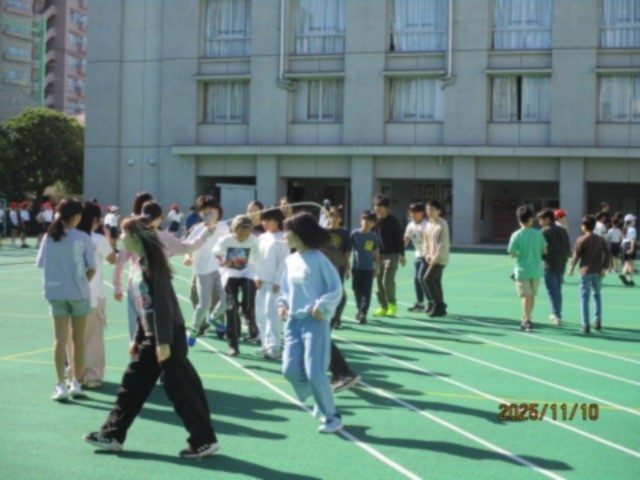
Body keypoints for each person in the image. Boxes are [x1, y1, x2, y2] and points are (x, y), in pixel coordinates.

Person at [83, 216, 220, 458]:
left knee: (181, 388)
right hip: (152, 335)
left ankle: (204, 440)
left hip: (166, 335)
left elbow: (163, 305)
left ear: (135, 237)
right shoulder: (138, 264)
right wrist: (138, 337)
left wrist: (163, 342)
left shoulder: (153, 266)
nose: (120, 237)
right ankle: (113, 435)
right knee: (133, 385)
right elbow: (143, 306)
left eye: (124, 233)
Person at [278, 212, 344, 434]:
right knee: (289, 370)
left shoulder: (318, 259)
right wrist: (282, 304)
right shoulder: (290, 260)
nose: (284, 236)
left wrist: (322, 306)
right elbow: (286, 289)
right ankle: (321, 392)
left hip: (315, 322)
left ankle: (332, 416)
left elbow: (336, 288)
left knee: (315, 372)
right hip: (293, 322)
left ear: (299, 234)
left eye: (287, 231)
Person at [36, 198, 96, 400]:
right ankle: (76, 383)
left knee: (59, 340)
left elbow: (41, 264)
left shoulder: (49, 237)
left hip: (56, 293)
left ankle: (60, 384)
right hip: (79, 294)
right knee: (78, 340)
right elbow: (92, 268)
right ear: (77, 216)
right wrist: (82, 283)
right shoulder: (83, 237)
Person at [320, 207, 360, 392]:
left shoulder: (328, 257)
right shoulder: (312, 255)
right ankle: (339, 373)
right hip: (325, 301)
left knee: (322, 338)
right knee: (320, 339)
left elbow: (341, 261)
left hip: (333, 301)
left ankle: (344, 373)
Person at [76, 202, 116, 388]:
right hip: (94, 294)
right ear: (95, 220)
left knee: (73, 337)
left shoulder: (69, 237)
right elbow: (112, 258)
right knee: (93, 339)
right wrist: (108, 238)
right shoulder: (98, 239)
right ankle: (92, 376)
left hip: (72, 294)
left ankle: (74, 374)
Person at [184, 195, 229, 346]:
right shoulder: (198, 229)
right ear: (200, 213)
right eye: (204, 211)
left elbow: (229, 244)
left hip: (219, 269)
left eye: (211, 210)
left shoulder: (224, 227)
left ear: (218, 211)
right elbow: (187, 246)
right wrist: (188, 257)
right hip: (202, 271)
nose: (208, 214)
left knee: (225, 299)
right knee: (203, 304)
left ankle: (214, 318)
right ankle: (195, 330)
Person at [213, 215, 260, 356]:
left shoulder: (254, 240)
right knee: (231, 309)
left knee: (248, 302)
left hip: (248, 274)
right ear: (235, 230)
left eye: (247, 234)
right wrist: (222, 261)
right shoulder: (226, 240)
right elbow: (216, 253)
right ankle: (233, 345)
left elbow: (260, 258)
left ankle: (246, 312)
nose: (243, 237)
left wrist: (260, 275)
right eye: (241, 234)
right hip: (229, 275)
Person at [254, 207, 289, 359]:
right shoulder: (262, 237)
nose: (265, 223)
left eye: (269, 220)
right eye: (264, 220)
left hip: (274, 283)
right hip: (261, 281)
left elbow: (284, 261)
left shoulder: (283, 238)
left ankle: (274, 347)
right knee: (260, 314)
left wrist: (278, 280)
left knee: (271, 314)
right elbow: (256, 258)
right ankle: (265, 344)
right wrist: (256, 276)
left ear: (277, 221)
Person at [507, 205, 548, 332]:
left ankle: (527, 320)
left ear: (519, 219)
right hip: (536, 270)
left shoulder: (516, 235)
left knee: (526, 296)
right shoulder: (538, 234)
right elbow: (545, 250)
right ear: (531, 219)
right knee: (532, 296)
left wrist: (521, 254)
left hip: (522, 270)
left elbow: (512, 253)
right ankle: (528, 317)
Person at [569, 215, 611, 333]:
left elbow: (576, 256)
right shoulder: (600, 240)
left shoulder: (581, 240)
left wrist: (571, 268)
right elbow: (607, 253)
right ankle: (597, 321)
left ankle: (585, 324)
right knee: (597, 295)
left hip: (585, 272)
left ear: (584, 227)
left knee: (584, 299)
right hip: (598, 271)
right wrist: (604, 267)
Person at [372, 194, 406, 317]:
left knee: (387, 281)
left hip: (392, 254)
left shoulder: (393, 220)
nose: (377, 208)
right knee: (378, 281)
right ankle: (383, 306)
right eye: (375, 205)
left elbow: (399, 238)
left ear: (386, 208)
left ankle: (392, 304)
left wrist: (402, 255)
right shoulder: (374, 220)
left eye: (379, 206)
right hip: (379, 254)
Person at [537, 209, 570, 326]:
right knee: (558, 290)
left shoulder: (544, 231)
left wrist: (540, 259)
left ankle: (557, 315)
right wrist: (564, 259)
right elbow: (567, 248)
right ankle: (556, 312)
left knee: (552, 291)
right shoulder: (563, 230)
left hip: (549, 264)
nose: (540, 222)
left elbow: (541, 249)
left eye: (541, 220)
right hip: (561, 264)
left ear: (547, 219)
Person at [350, 211, 380, 324]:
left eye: (370, 221)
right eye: (365, 220)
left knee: (366, 292)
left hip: (368, 269)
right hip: (357, 268)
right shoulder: (355, 234)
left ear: (373, 224)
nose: (367, 223)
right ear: (361, 221)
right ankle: (359, 309)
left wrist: (377, 267)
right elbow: (348, 250)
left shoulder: (373, 236)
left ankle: (363, 313)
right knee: (356, 290)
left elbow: (376, 252)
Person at [422, 200, 451, 317]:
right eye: (427, 209)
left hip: (440, 258)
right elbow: (426, 242)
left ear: (439, 211)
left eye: (432, 209)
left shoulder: (442, 224)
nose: (429, 212)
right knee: (436, 281)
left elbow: (443, 243)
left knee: (427, 279)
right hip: (432, 258)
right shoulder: (428, 224)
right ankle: (441, 307)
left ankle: (438, 305)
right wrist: (427, 254)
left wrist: (435, 257)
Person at [404, 202, 428, 312]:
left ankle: (431, 302)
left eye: (415, 212)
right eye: (411, 212)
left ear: (422, 213)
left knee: (421, 278)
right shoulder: (410, 225)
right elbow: (406, 239)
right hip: (417, 256)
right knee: (416, 279)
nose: (412, 215)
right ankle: (420, 304)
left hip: (427, 256)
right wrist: (400, 251)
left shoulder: (427, 225)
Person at [620, 214, 637, 286]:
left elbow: (623, 240)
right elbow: (633, 240)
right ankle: (623, 274)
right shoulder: (633, 229)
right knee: (630, 262)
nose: (635, 221)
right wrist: (632, 249)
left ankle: (631, 279)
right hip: (630, 245)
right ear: (630, 221)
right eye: (633, 220)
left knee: (628, 262)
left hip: (624, 245)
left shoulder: (624, 229)